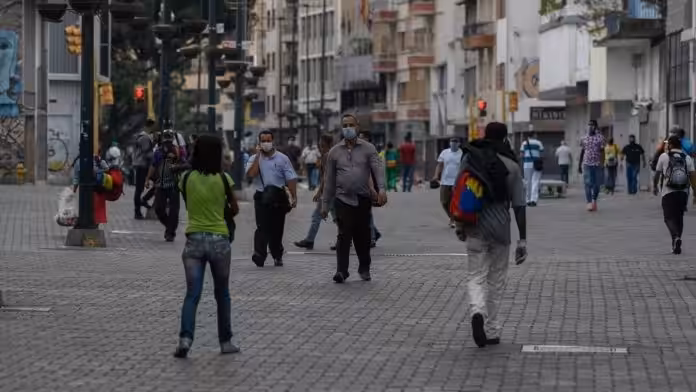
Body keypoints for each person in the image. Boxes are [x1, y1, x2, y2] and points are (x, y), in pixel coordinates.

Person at [456, 122, 527, 348]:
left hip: (474, 223)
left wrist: (459, 223)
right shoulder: (512, 165)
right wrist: (522, 239)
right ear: (506, 138)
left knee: (475, 276)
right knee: (496, 280)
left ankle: (477, 310)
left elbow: (459, 190)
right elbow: (519, 205)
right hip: (500, 226)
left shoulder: (470, 158)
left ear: (485, 135)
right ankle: (492, 329)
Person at [174, 134, 240, 358]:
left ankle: (185, 339)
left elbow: (187, 200)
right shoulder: (223, 179)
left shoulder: (185, 178)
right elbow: (235, 208)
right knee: (222, 293)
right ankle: (225, 342)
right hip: (219, 241)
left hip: (193, 242)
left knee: (192, 294)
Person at [322, 114, 387, 283]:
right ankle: (341, 271)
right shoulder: (334, 152)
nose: (348, 128)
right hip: (342, 199)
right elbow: (329, 180)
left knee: (362, 236)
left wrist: (382, 190)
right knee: (343, 234)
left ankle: (364, 267)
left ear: (357, 126)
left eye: (351, 125)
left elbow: (378, 170)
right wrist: (325, 204)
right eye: (345, 125)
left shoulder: (369, 149)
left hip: (362, 198)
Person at [246, 130, 298, 267]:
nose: (266, 143)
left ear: (273, 141)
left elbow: (291, 178)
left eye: (268, 140)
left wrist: (294, 196)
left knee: (276, 228)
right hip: (261, 196)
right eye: (263, 140)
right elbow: (251, 174)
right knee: (262, 227)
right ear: (259, 142)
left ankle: (277, 254)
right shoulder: (253, 159)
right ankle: (259, 255)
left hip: (278, 197)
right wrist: (258, 156)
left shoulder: (282, 158)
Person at [653, 135, 696, 254]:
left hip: (668, 192)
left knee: (668, 218)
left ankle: (675, 237)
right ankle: (676, 242)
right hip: (683, 192)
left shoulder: (664, 156)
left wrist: (655, 187)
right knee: (679, 218)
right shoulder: (687, 158)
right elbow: (693, 176)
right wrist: (695, 193)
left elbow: (657, 173)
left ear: (671, 145)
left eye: (668, 144)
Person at [294, 133, 336, 250]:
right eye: (320, 145)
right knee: (337, 217)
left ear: (328, 144)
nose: (320, 147)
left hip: (329, 191)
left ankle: (309, 240)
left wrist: (319, 192)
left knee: (317, 216)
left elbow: (326, 176)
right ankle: (345, 239)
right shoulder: (331, 155)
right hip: (333, 191)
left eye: (322, 145)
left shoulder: (328, 156)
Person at [145, 130, 185, 242]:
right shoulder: (158, 151)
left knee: (174, 210)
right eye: (165, 137)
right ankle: (170, 227)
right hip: (160, 184)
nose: (167, 139)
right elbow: (153, 165)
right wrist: (147, 179)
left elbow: (185, 163)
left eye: (169, 137)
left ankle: (170, 232)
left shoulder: (178, 150)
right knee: (159, 209)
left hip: (174, 184)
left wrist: (176, 162)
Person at [358, 128, 383, 247]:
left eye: (362, 137)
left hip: (369, 184)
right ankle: (375, 233)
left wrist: (375, 188)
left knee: (366, 212)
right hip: (362, 184)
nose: (359, 139)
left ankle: (372, 237)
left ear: (367, 139)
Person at [431, 137, 463, 227]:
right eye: (452, 142)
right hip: (445, 181)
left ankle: (453, 219)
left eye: (455, 142)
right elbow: (439, 165)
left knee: (455, 202)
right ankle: (451, 216)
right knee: (444, 201)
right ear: (449, 143)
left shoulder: (462, 154)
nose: (453, 143)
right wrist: (436, 175)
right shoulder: (445, 152)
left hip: (457, 182)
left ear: (459, 144)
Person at [579, 120, 605, 211]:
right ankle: (589, 202)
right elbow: (582, 151)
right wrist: (579, 165)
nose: (590, 127)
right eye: (589, 125)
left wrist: (602, 163)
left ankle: (594, 200)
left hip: (597, 164)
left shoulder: (600, 138)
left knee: (597, 184)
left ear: (596, 127)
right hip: (586, 163)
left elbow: (602, 151)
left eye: (592, 125)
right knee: (587, 183)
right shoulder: (584, 138)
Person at [132, 119, 155, 219]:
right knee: (139, 189)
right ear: (150, 126)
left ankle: (142, 202)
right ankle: (138, 211)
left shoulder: (141, 136)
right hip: (143, 165)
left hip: (141, 165)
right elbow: (147, 153)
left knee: (140, 188)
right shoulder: (145, 138)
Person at [520, 132, 544, 207]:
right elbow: (542, 154)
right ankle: (534, 200)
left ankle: (527, 200)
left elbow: (521, 155)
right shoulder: (538, 143)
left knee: (527, 182)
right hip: (536, 164)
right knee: (535, 181)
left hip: (527, 164)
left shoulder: (524, 143)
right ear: (534, 135)